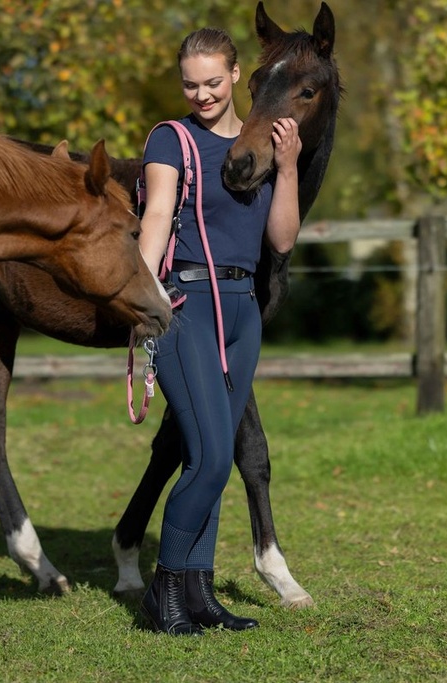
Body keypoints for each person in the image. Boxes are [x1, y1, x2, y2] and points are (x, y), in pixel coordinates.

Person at [138, 27, 302, 635]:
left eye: (212, 81)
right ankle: (165, 592)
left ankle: (200, 593)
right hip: (186, 303)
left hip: (243, 311)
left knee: (205, 458)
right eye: (190, 83)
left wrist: (287, 168)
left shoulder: (260, 145)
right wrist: (146, 296)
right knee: (208, 459)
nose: (201, 93)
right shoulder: (171, 139)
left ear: (236, 76)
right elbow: (156, 216)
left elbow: (281, 240)